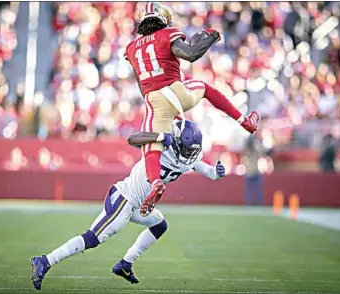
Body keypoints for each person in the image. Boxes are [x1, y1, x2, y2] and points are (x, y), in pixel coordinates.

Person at [30, 120, 226, 290]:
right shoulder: (161, 146)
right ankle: (45, 261)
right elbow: (133, 139)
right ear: (176, 141)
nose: (189, 153)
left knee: (159, 224)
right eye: (186, 148)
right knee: (93, 238)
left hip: (140, 205)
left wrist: (217, 172)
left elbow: (208, 171)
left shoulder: (188, 158)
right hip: (125, 198)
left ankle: (125, 263)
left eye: (191, 150)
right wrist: (159, 137)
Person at [123, 2, 260, 216]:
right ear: (162, 18)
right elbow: (190, 54)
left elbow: (142, 86)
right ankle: (245, 121)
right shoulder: (167, 34)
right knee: (204, 88)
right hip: (176, 92)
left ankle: (155, 182)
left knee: (151, 147)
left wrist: (165, 109)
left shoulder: (132, 48)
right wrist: (211, 37)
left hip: (153, 100)